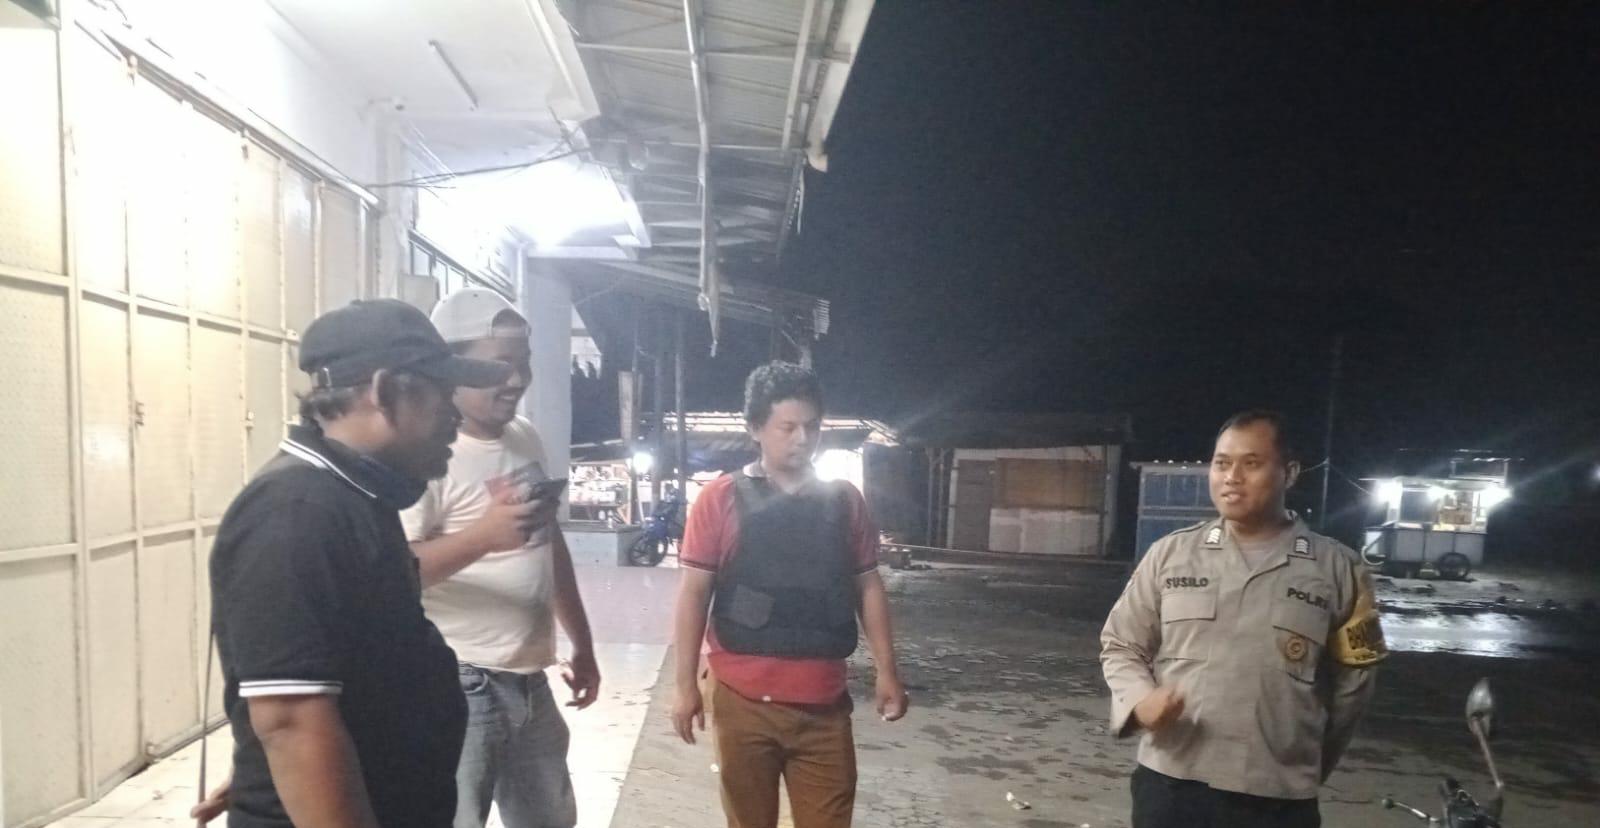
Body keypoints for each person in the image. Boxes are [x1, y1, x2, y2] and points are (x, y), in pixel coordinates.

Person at [209, 299, 512, 828]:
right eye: (442, 392)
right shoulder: (296, 512)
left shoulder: (353, 497)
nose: (455, 415)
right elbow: (291, 721)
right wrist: (281, 758)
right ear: (385, 391)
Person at [1100, 410, 1387, 828]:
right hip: (1171, 787)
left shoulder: (1340, 570)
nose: (1231, 477)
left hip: (1277, 800)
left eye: (1251, 463)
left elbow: (1355, 685)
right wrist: (1140, 701)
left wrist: (1303, 764)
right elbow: (1121, 644)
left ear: (1289, 473)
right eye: (1221, 463)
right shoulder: (1170, 554)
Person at [669, 361, 909, 828]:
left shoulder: (845, 501)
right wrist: (683, 687)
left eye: (812, 427)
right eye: (788, 427)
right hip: (741, 702)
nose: (803, 438)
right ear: (755, 428)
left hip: (824, 708)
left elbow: (868, 586)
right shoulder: (719, 499)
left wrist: (887, 671)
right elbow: (693, 595)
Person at [400, 288, 599, 828]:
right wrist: (484, 537)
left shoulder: (524, 437)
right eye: (499, 365)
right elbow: (393, 572)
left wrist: (581, 642)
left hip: (530, 680)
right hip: (460, 683)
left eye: (523, 362)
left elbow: (547, 543)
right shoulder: (425, 455)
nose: (517, 379)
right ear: (452, 367)